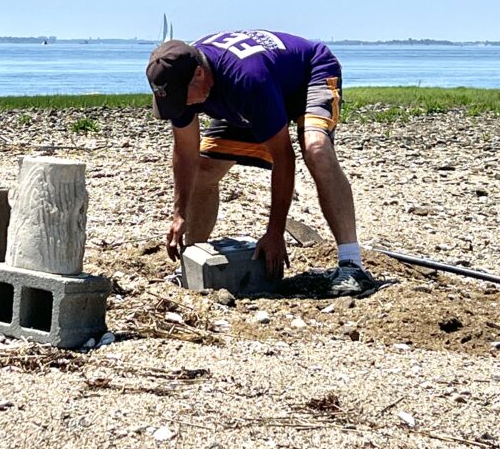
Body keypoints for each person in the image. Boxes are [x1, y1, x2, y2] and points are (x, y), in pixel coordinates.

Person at [146, 29, 376, 295]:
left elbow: (283, 157)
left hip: (307, 75)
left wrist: (275, 232)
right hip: (252, 95)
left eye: (182, 97)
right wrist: (179, 213)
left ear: (199, 74)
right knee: (204, 171)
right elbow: (186, 153)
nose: (181, 106)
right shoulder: (179, 80)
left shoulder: (247, 79)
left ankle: (352, 264)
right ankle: (195, 263)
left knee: (316, 149)